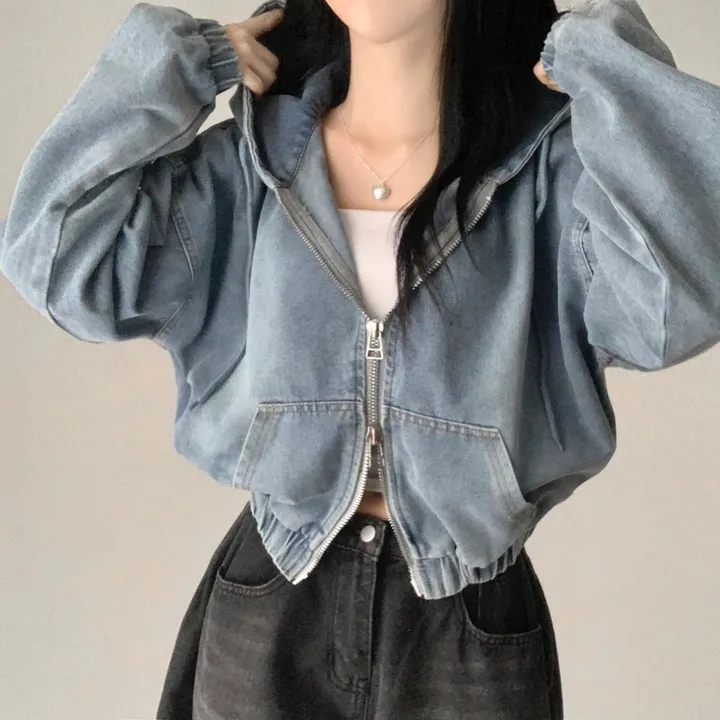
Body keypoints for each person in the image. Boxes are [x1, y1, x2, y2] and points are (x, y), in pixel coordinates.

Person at [1, 0, 719, 717]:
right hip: (273, 590)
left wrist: (605, 62)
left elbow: (689, 292)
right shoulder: (253, 167)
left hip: (467, 611)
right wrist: (170, 68)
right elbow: (55, 260)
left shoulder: (545, 178)